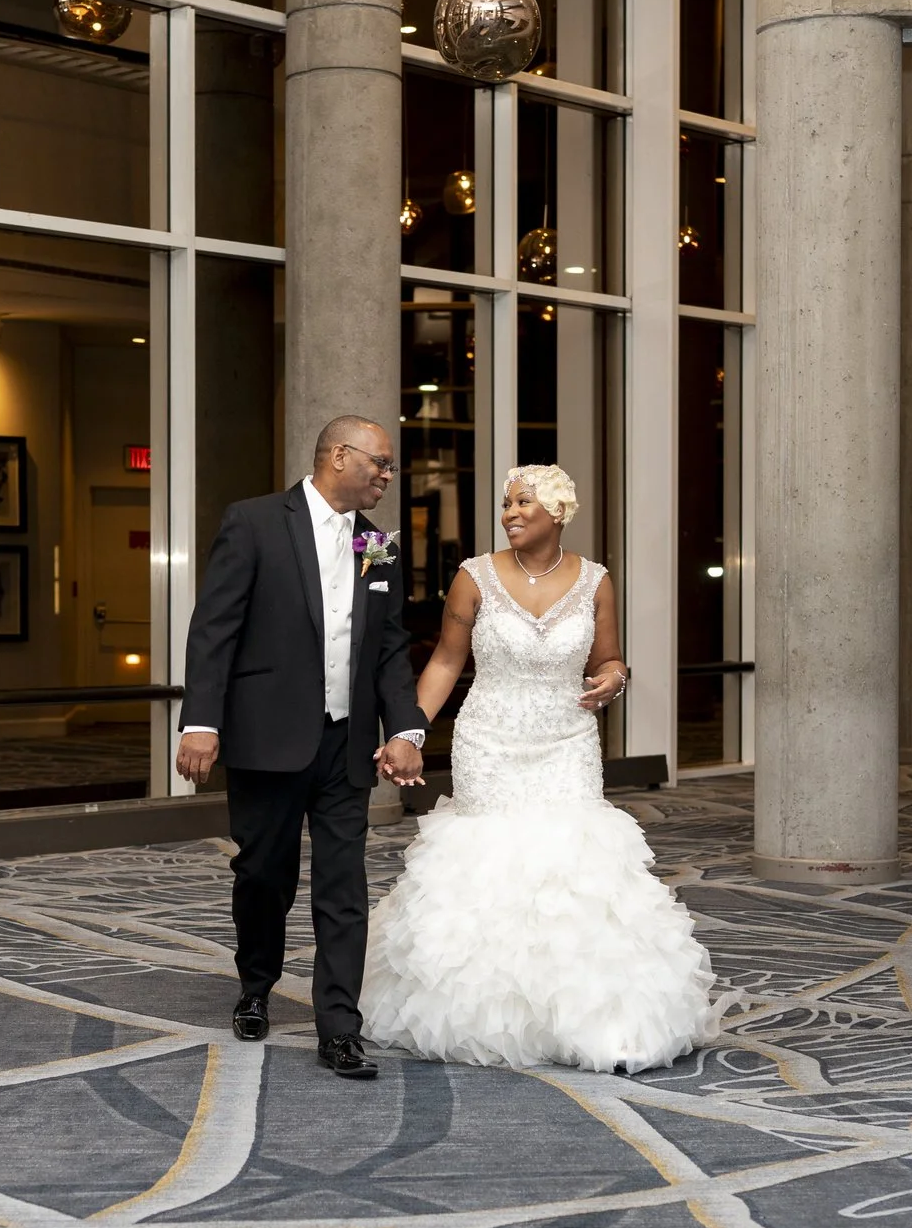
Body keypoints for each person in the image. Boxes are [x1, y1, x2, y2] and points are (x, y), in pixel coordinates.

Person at [360, 465, 720, 1074]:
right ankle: (483, 1012)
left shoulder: (597, 581)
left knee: (573, 865)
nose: (510, 513)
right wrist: (407, 732)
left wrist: (612, 680)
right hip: (490, 741)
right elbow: (447, 662)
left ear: (558, 512)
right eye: (506, 504)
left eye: (524, 502)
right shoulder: (473, 577)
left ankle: (590, 1017)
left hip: (567, 743)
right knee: (493, 862)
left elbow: (610, 661)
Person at [176, 416, 428, 1080]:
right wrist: (200, 719)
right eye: (378, 461)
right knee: (264, 874)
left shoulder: (379, 544)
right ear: (339, 455)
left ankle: (340, 1027)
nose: (386, 473)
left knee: (343, 886)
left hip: (346, 744)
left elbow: (391, 646)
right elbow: (214, 628)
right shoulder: (255, 521)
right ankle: (255, 985)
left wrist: (406, 727)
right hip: (267, 736)